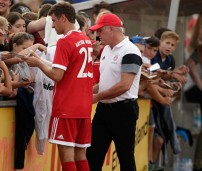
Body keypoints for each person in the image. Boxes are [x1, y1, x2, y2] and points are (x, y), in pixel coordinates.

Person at [24, 2, 93, 171]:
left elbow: (57, 75)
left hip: (67, 105)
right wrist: (40, 60)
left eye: (54, 21)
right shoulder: (86, 40)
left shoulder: (65, 40)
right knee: (80, 154)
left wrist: (37, 63)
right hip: (83, 106)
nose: (52, 26)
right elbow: (68, 71)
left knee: (66, 154)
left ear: (64, 18)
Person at [86, 13, 143, 171]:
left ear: (111, 29)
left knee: (125, 158)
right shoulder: (106, 50)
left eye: (100, 31)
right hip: (104, 109)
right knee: (92, 155)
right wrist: (89, 93)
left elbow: (125, 85)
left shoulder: (130, 51)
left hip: (123, 110)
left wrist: (97, 96)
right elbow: (104, 81)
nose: (97, 35)